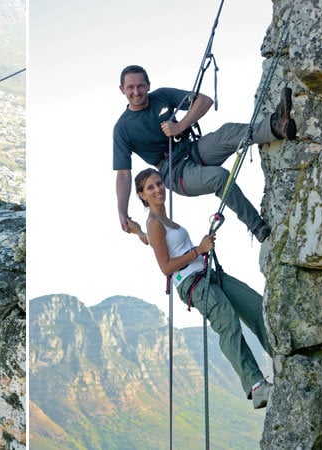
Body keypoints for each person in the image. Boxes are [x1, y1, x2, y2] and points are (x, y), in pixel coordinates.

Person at [131, 168, 274, 409]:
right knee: (228, 323)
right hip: (193, 284)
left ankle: (282, 358)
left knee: (256, 306)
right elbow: (165, 267)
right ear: (142, 195)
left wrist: (136, 231)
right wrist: (198, 250)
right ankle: (256, 386)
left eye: (158, 184)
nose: (157, 190)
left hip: (207, 273)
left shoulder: (161, 222)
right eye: (150, 188)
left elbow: (150, 240)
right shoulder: (155, 223)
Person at [114, 65, 296, 243]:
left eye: (140, 86)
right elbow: (123, 174)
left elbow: (204, 100)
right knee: (220, 177)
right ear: (122, 89)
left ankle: (276, 126)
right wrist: (122, 211)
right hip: (175, 172)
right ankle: (257, 226)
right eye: (130, 87)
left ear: (148, 85)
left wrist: (180, 126)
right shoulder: (123, 128)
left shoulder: (161, 96)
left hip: (191, 149)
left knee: (226, 133)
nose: (136, 91)